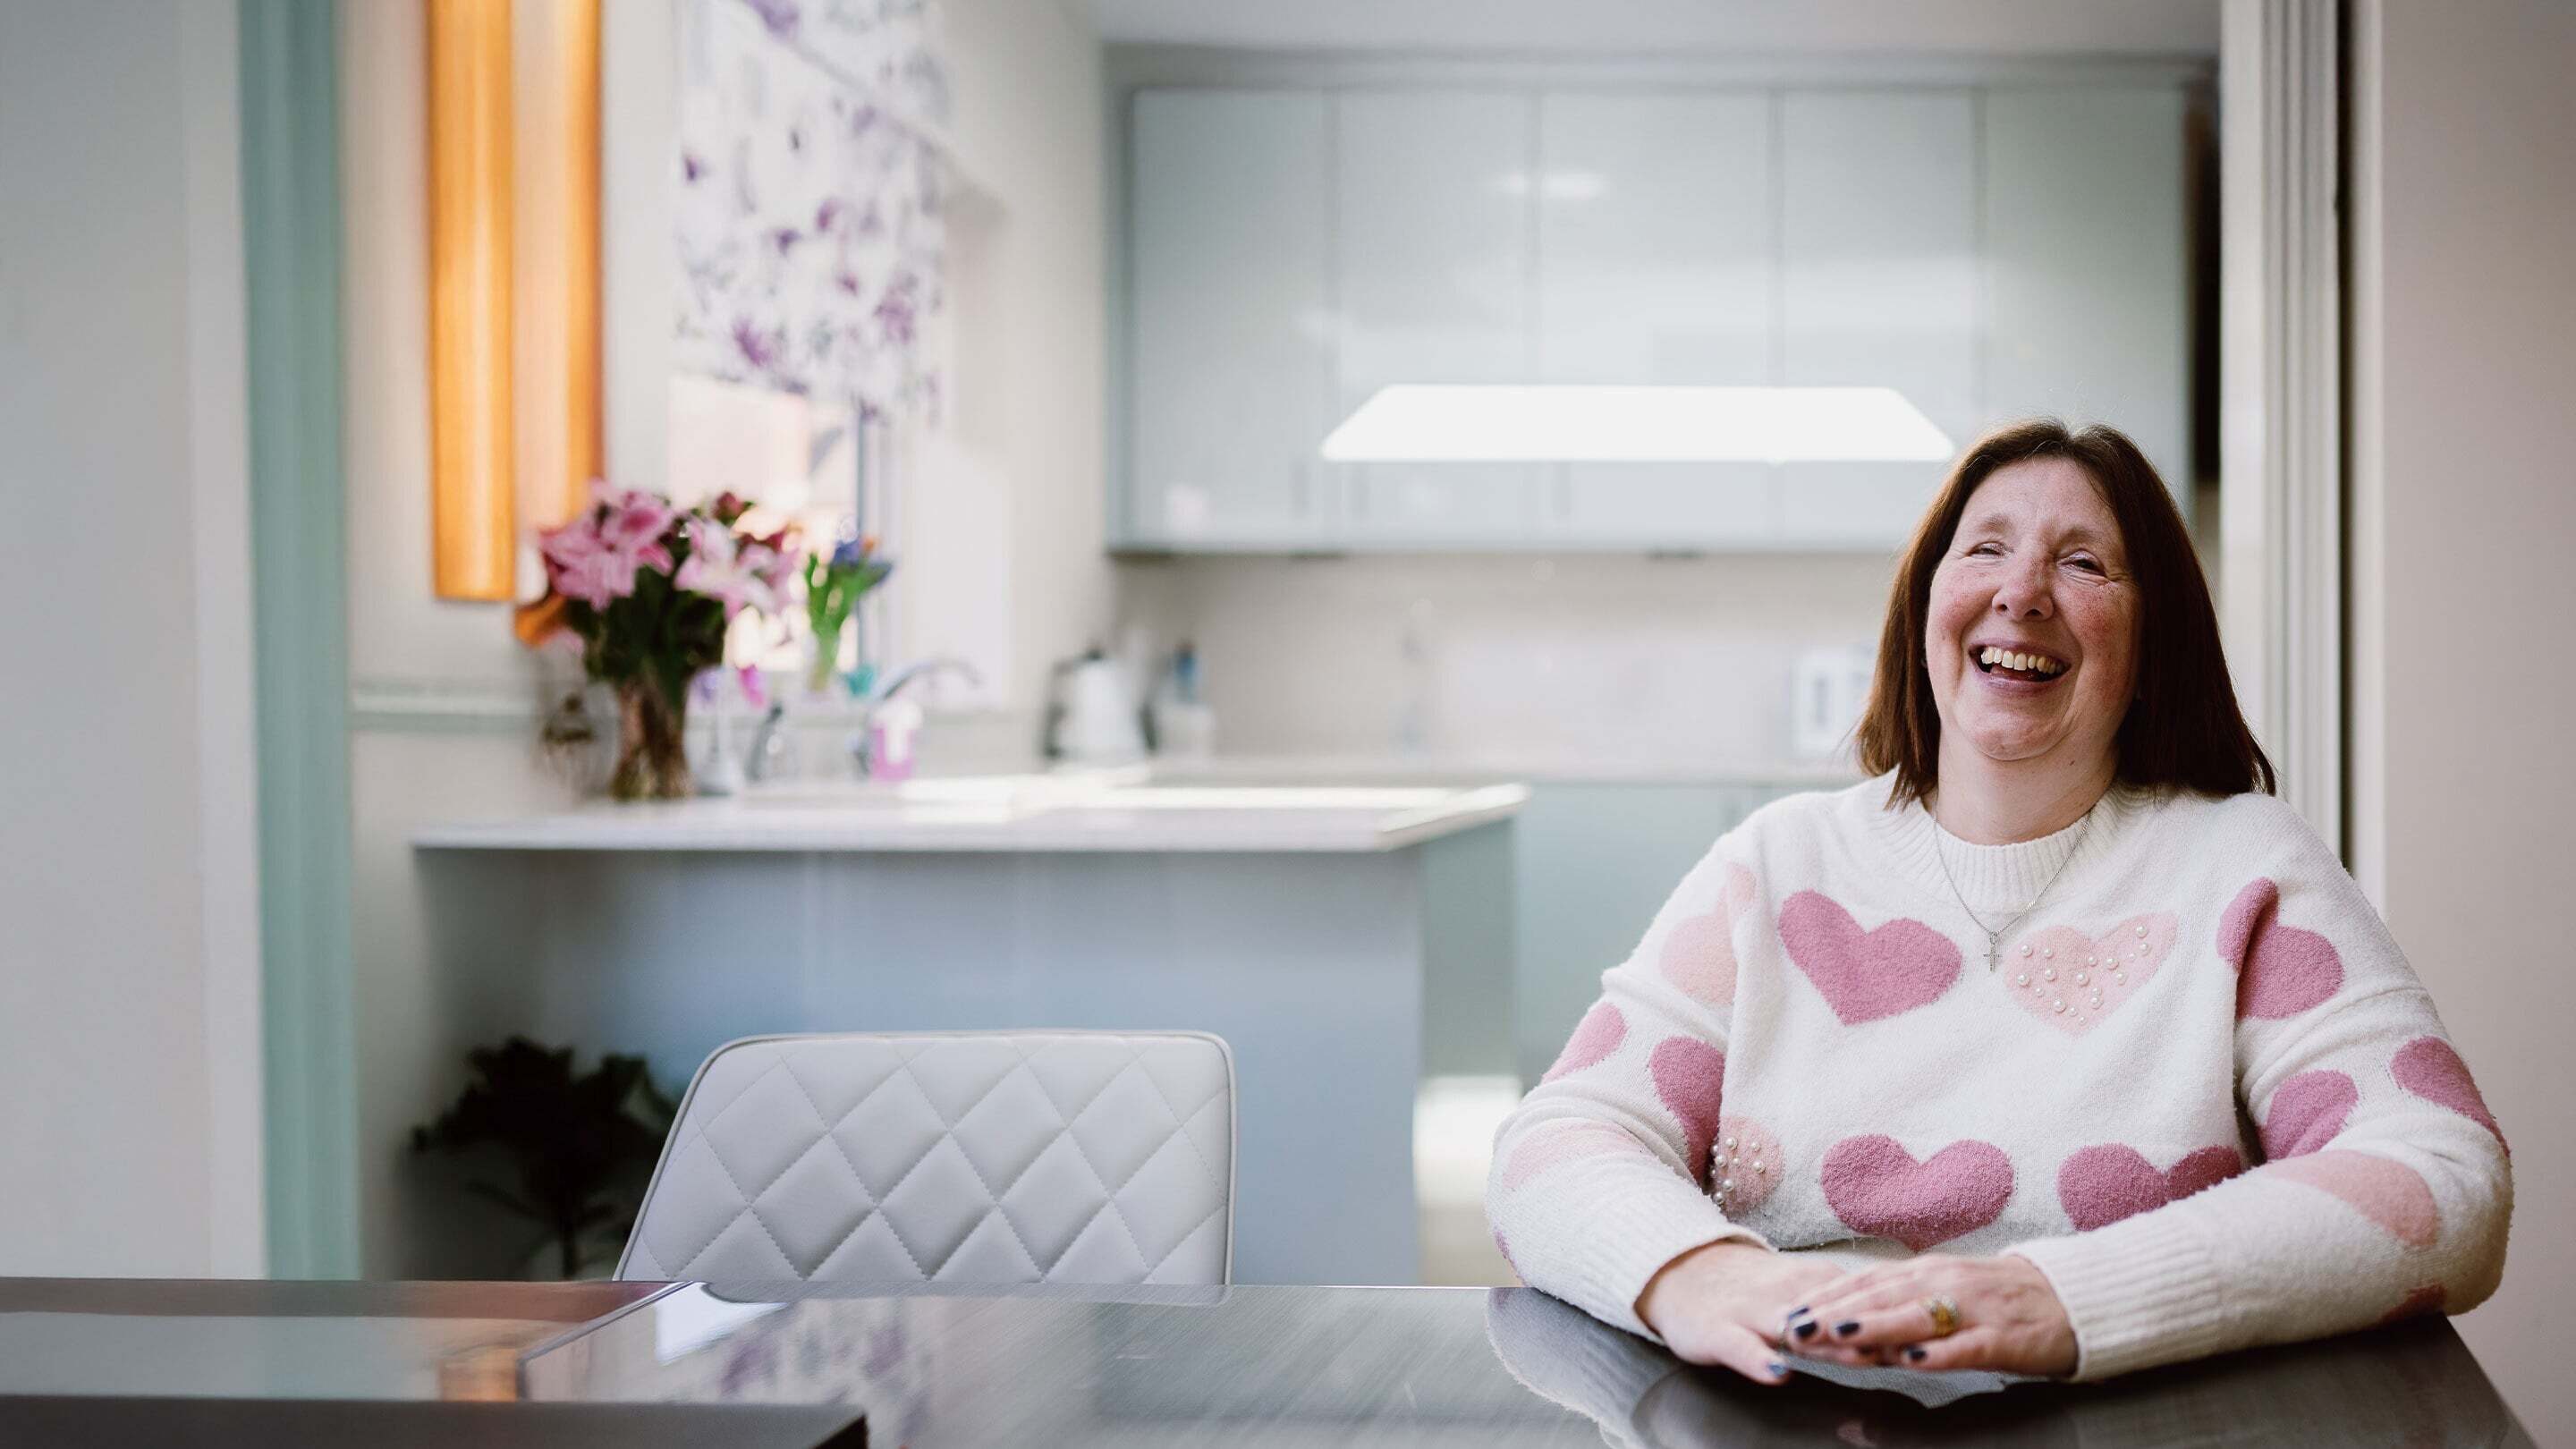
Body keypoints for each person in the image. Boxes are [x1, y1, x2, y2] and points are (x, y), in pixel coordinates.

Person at [1485, 419, 2512, 1384]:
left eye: (2084, 563)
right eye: (1985, 549)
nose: (2021, 592)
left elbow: (2443, 1175)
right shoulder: (1778, 863)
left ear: (2152, 644)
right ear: (1923, 606)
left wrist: (2065, 1297)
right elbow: (1558, 1139)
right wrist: (1700, 1274)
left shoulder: (2240, 865)